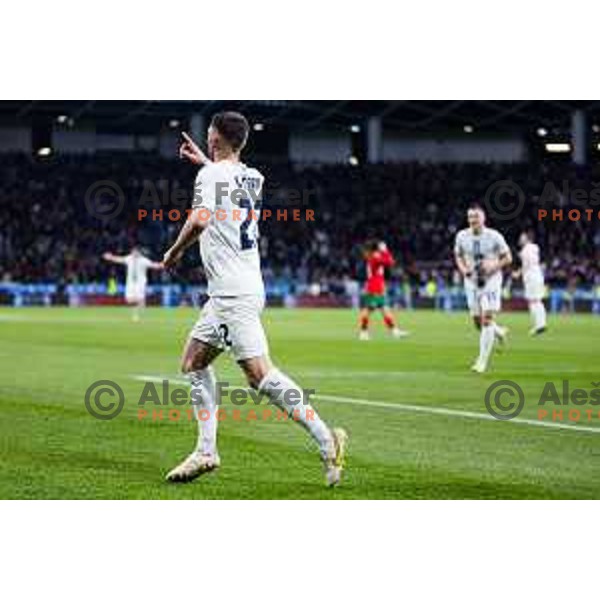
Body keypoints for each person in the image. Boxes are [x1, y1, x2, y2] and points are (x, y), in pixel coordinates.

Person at [162, 113, 347, 486]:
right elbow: (226, 181)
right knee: (193, 362)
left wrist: (174, 251)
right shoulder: (252, 176)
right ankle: (206, 450)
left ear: (215, 138)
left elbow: (199, 220)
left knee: (260, 375)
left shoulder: (211, 175)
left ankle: (328, 440)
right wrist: (206, 161)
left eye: (211, 135)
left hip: (232, 292)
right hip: (237, 288)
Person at [454, 206, 512, 373]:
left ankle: (481, 362)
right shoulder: (461, 236)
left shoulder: (494, 236)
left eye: (476, 217)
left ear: (483, 218)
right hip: (471, 280)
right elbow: (458, 255)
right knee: (477, 322)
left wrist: (493, 267)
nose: (473, 220)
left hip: (491, 280)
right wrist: (463, 269)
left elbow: (508, 258)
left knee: (487, 318)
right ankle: (498, 331)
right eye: (470, 217)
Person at [358, 240, 408, 341]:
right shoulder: (375, 257)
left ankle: (394, 331)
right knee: (368, 310)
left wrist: (383, 251)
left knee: (385, 309)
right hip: (374, 287)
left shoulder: (373, 256)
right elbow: (390, 262)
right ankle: (363, 332)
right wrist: (385, 250)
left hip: (377, 286)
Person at [102, 247, 162, 321]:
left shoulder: (143, 260)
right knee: (129, 300)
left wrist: (162, 265)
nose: (134, 254)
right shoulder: (129, 258)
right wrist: (111, 257)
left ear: (139, 253)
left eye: (136, 252)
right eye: (133, 252)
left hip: (140, 283)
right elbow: (119, 260)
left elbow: (153, 265)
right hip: (130, 282)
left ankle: (138, 315)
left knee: (139, 299)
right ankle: (141, 306)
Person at [513, 231, 547, 335]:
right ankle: (541, 323)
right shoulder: (535, 247)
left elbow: (527, 265)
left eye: (522, 237)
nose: (520, 239)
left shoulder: (525, 250)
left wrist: (517, 273)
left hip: (531, 277)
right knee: (537, 300)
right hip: (538, 276)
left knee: (533, 301)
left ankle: (538, 325)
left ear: (527, 239)